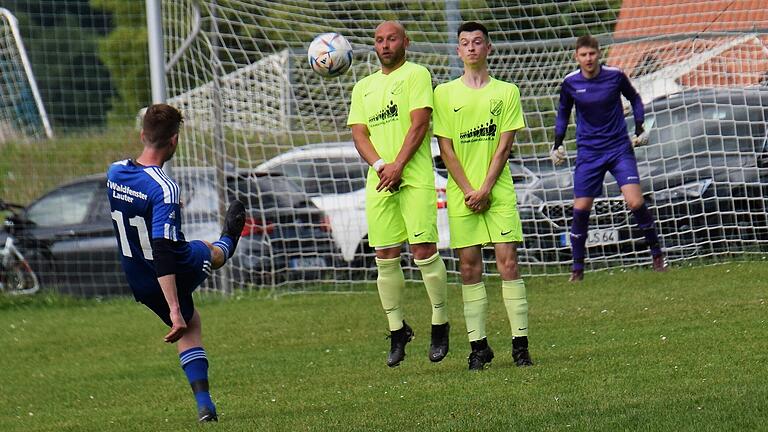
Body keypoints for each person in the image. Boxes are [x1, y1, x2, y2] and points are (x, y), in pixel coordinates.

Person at [106, 104, 246, 422]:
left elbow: (132, 206)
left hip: (137, 276)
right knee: (211, 252)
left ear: (143, 135)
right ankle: (230, 240)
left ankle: (205, 406)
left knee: (191, 323)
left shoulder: (114, 172)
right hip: (171, 267)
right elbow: (164, 251)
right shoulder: (165, 188)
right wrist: (173, 309)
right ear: (174, 141)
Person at [347, 21, 450, 367]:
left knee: (423, 251)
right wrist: (380, 166)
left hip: (414, 178)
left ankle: (440, 322)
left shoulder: (417, 74)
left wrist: (398, 166)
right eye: (379, 39)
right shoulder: (363, 86)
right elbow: (359, 133)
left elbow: (420, 123)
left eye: (392, 38)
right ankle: (397, 330)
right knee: (385, 256)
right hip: (380, 180)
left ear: (405, 41)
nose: (385, 45)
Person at [433, 21, 533, 370]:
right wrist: (468, 191)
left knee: (508, 263)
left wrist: (486, 188)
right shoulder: (443, 94)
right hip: (463, 193)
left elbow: (505, 146)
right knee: (468, 268)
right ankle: (479, 347)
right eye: (465, 43)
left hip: (498, 192)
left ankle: (520, 346)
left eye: (478, 42)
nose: (472, 47)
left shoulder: (506, 92)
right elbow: (445, 150)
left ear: (488, 48)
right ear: (458, 51)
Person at [552, 35, 667, 282]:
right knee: (581, 207)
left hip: (618, 148)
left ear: (598, 53)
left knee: (635, 202)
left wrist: (639, 126)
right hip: (589, 152)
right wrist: (557, 143)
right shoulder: (571, 83)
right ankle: (577, 269)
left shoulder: (614, 75)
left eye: (592, 54)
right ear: (577, 57)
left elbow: (635, 98)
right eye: (583, 55)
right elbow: (563, 112)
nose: (588, 59)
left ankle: (657, 255)